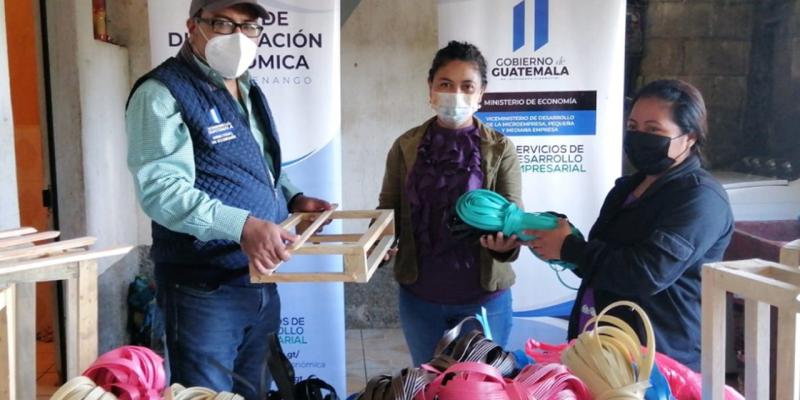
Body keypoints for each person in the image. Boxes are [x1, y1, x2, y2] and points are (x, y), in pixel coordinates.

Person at [125, 0, 331, 397]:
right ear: (192, 26)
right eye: (222, 23)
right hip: (203, 288)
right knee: (208, 394)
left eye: (249, 26)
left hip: (256, 278)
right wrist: (241, 226)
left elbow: (263, 162)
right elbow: (161, 190)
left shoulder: (247, 86)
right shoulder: (162, 92)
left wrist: (293, 197)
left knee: (253, 389)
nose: (237, 37)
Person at [520, 79, 733, 371]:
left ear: (690, 137)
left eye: (653, 130)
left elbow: (646, 273)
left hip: (655, 360)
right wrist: (556, 241)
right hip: (598, 345)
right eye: (633, 127)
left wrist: (570, 248)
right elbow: (601, 261)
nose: (639, 136)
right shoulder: (627, 188)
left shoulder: (701, 199)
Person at [377, 41, 522, 366]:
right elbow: (388, 211)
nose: (455, 94)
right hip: (420, 297)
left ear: (481, 93)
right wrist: (381, 244)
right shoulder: (405, 146)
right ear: (430, 89)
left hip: (484, 298)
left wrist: (504, 245)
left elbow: (513, 216)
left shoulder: (501, 150)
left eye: (466, 86)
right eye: (445, 84)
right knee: (428, 385)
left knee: (482, 388)